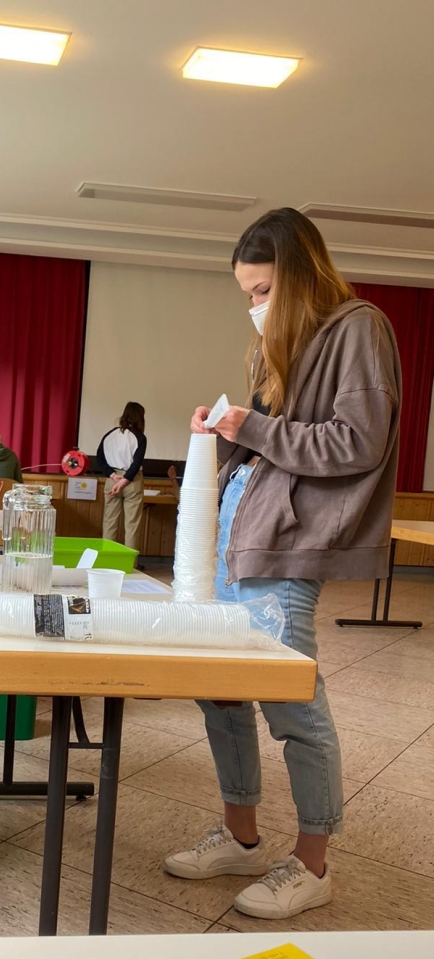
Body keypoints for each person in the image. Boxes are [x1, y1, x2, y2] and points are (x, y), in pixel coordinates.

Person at [163, 207, 401, 920]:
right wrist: (223, 436)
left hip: (287, 545)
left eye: (262, 290)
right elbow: (273, 443)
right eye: (247, 294)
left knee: (291, 699)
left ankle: (312, 860)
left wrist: (254, 426)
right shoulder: (286, 345)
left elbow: (358, 441)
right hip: (240, 538)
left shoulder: (359, 327)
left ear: (298, 278)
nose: (254, 307)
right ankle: (240, 836)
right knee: (222, 691)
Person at [96, 401, 148, 550]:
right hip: (132, 481)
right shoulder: (140, 437)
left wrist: (112, 476)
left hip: (113, 479)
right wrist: (124, 481)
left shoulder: (109, 434)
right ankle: (130, 564)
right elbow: (136, 463)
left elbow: (100, 458)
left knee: (109, 521)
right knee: (132, 525)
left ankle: (106, 559)